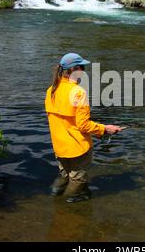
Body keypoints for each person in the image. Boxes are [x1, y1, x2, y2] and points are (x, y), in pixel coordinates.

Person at [45, 53, 122, 203]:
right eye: (83, 67)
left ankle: (55, 193)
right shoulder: (79, 92)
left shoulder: (51, 91)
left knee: (65, 175)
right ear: (75, 69)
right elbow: (83, 125)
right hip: (77, 147)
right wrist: (105, 129)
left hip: (59, 146)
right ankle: (64, 206)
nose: (84, 71)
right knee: (77, 180)